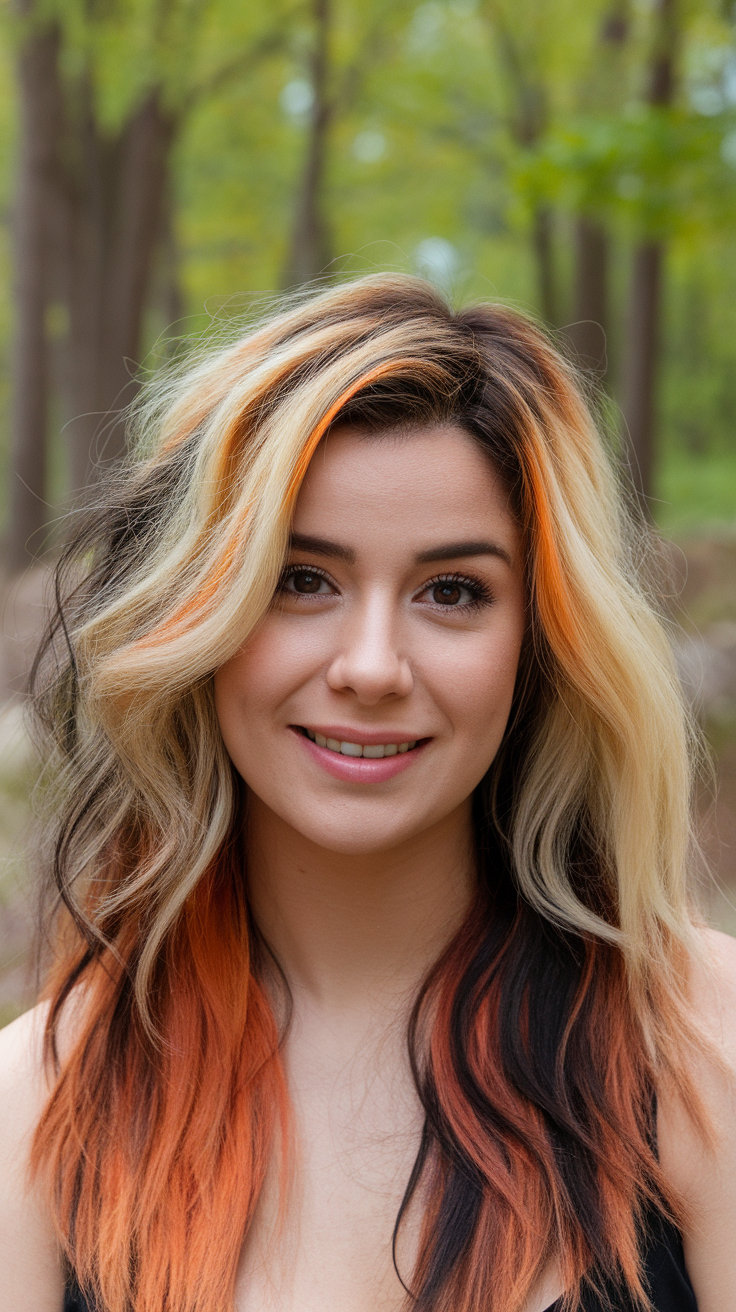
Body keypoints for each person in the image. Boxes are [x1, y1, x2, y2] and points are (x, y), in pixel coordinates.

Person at [0, 275, 734, 1312]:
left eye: (452, 591)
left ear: (538, 647)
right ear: (198, 609)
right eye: (303, 578)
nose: (373, 665)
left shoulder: (703, 1043)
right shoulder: (38, 1103)